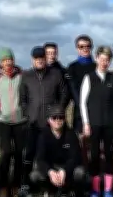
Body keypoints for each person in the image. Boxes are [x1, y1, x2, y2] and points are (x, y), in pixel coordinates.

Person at [19, 46, 69, 196]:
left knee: (52, 155)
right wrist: (28, 114)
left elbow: (64, 94)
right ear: (32, 59)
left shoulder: (56, 74)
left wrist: (57, 113)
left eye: (42, 58)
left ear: (45, 59)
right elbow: (22, 99)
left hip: (51, 124)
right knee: (29, 154)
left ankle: (55, 187)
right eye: (36, 58)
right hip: (33, 123)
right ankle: (25, 185)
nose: (39, 60)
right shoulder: (26, 75)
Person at [80, 45, 113, 197]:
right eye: (102, 59)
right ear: (97, 58)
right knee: (93, 155)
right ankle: (95, 189)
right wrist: (86, 123)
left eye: (108, 60)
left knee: (110, 155)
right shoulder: (89, 78)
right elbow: (82, 102)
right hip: (93, 124)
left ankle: (107, 189)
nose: (105, 62)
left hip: (110, 124)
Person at [0, 48, 27, 197]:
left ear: (13, 60)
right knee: (5, 153)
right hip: (3, 120)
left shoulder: (21, 75)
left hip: (20, 120)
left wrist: (23, 109)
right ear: (1, 62)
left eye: (10, 59)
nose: (8, 62)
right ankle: (3, 186)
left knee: (19, 154)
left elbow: (26, 94)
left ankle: (16, 185)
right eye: (5, 60)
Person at [31, 106, 88, 197]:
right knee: (35, 175)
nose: (57, 120)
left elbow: (75, 158)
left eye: (61, 117)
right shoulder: (43, 136)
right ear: (49, 120)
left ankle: (73, 191)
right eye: (54, 117)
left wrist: (64, 171)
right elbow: (40, 159)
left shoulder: (71, 134)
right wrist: (50, 172)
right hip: (51, 168)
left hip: (67, 169)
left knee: (80, 172)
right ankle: (49, 191)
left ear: (64, 119)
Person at [66, 34, 96, 135]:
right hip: (78, 113)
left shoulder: (97, 67)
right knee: (80, 145)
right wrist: (81, 106)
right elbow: (71, 89)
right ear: (77, 48)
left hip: (96, 112)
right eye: (81, 46)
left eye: (88, 46)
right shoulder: (72, 67)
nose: (85, 49)